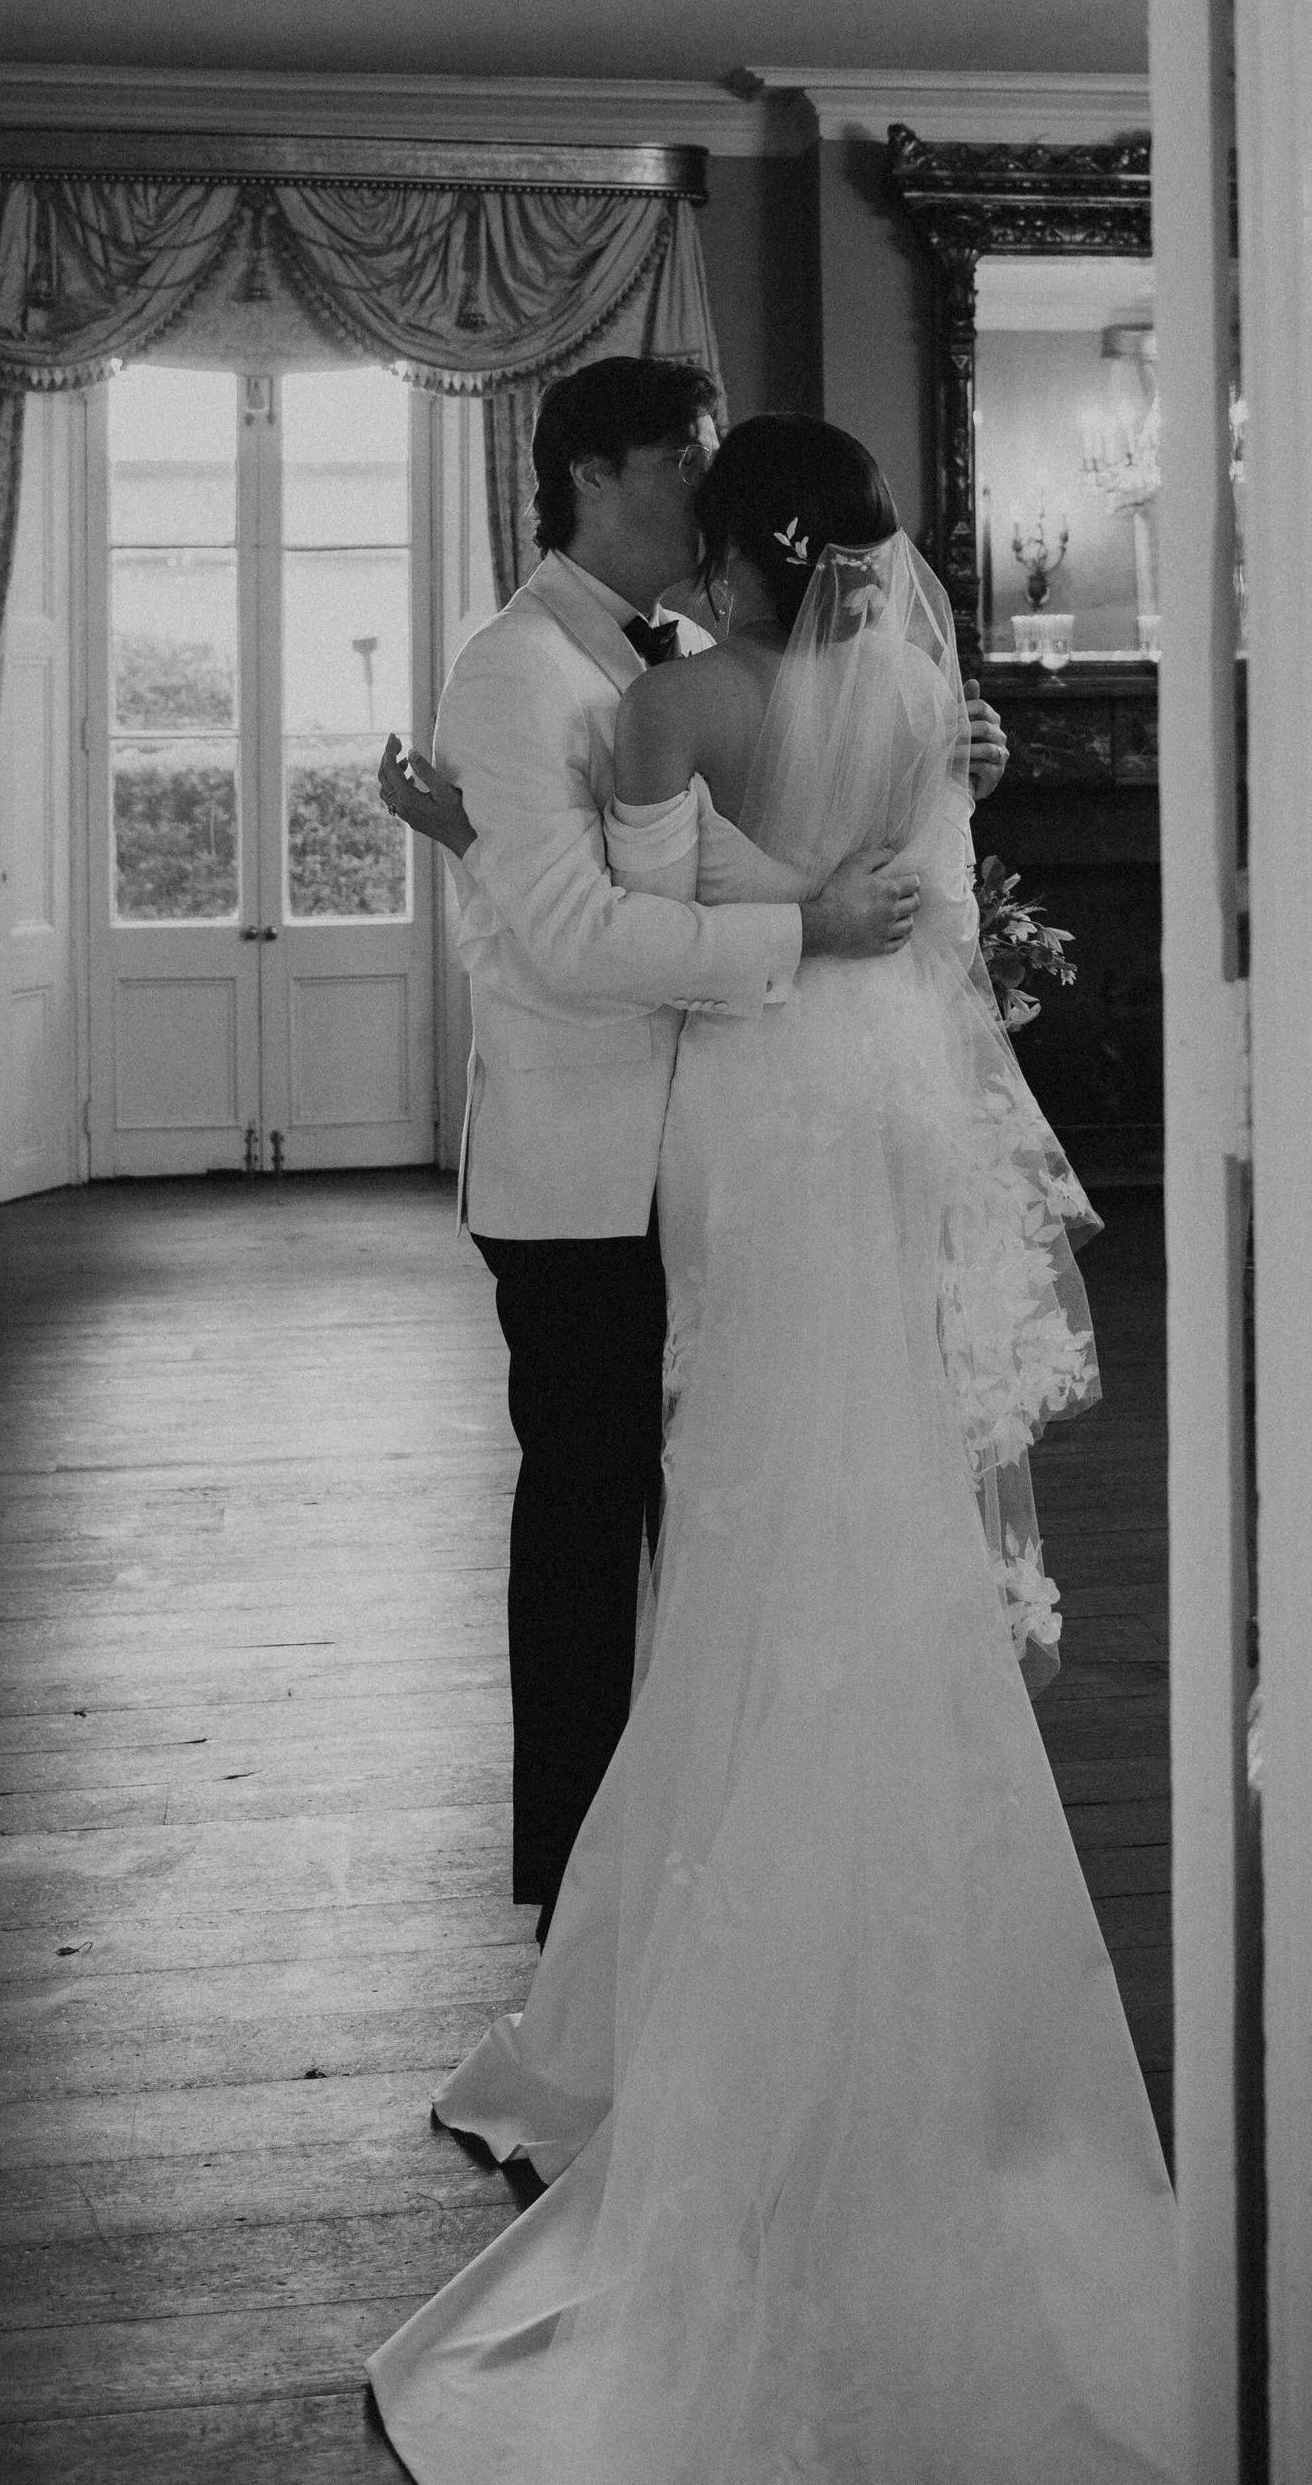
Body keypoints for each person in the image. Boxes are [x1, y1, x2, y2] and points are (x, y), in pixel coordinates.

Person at [368, 416, 1175, 2485]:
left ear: (717, 536)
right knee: (872, 1466)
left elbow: (632, 920)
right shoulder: (918, 696)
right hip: (887, 1106)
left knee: (731, 1488)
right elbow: (915, 911)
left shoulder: (656, 698)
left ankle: (715, 1931)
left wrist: (541, 854)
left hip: (748, 1116)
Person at [383, 358, 983, 1946]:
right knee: (590, 1528)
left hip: (729, 1148)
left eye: (722, 462)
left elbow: (573, 880)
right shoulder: (517, 672)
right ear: (592, 475)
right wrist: (810, 925)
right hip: (584, 1168)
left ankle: (713, 1861)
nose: (706, 487)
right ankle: (579, 1896)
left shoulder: (690, 668)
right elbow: (575, 937)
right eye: (680, 458)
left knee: (729, 1511)